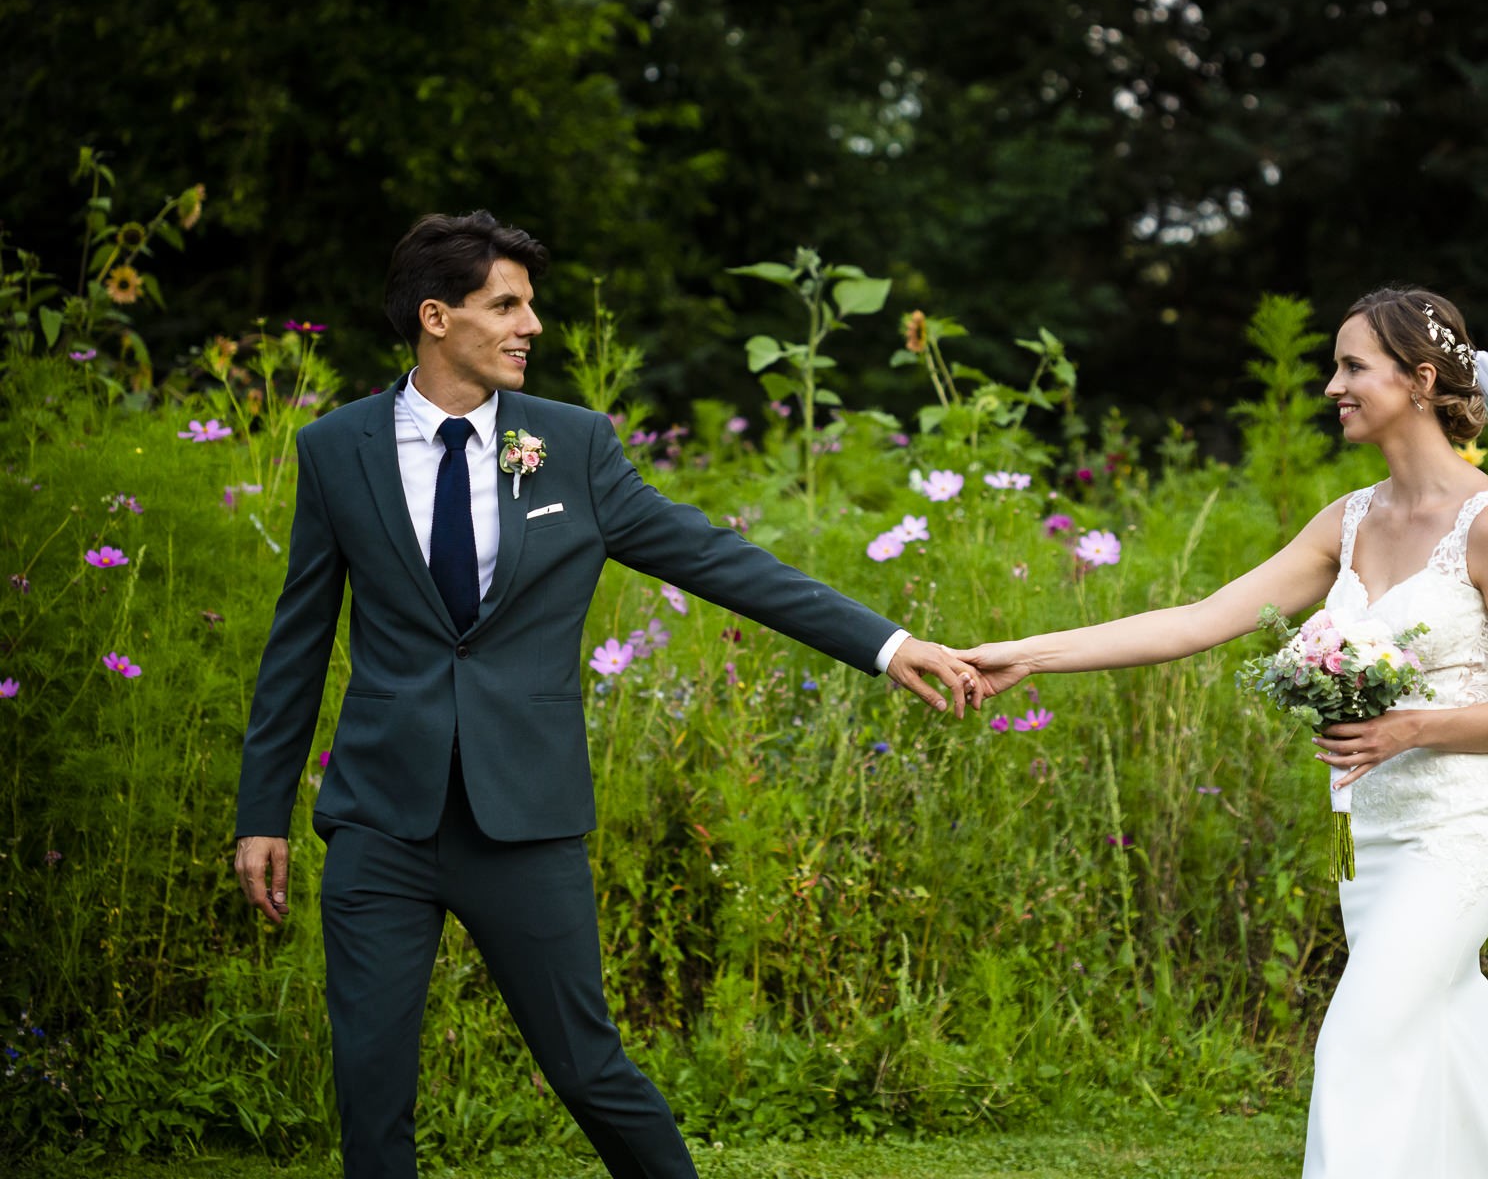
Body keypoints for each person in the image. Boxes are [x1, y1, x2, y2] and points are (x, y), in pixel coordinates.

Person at [231, 211, 981, 1179]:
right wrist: (264, 810)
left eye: (530, 303)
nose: (531, 324)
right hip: (381, 821)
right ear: (434, 316)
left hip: (525, 821)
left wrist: (887, 643)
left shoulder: (572, 446)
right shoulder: (338, 451)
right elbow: (299, 641)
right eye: (507, 303)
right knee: (371, 1103)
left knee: (589, 1069)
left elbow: (719, 560)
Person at [958, 287, 1488, 1177]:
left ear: (1420, 379)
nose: (1331, 387)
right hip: (1370, 846)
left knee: (1356, 1050)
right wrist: (1025, 655)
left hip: (1457, 838)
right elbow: (1196, 620)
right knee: (1449, 1049)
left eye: (1353, 367)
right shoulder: (1348, 522)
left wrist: (1413, 728)